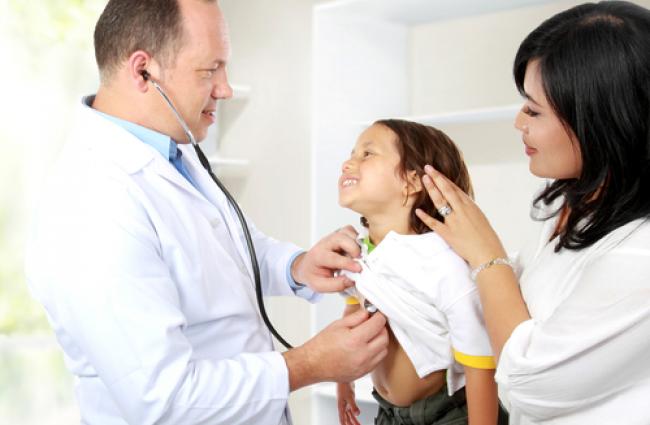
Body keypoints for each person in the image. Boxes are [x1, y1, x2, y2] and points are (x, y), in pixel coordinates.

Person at [24, 1, 389, 424]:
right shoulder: (91, 203)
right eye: (209, 71)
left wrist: (296, 266)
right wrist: (308, 364)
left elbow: (224, 252)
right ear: (144, 71)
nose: (225, 89)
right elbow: (163, 398)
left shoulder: (172, 151)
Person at [414, 2, 650, 424]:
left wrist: (488, 256)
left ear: (601, 120)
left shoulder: (640, 256)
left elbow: (525, 386)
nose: (518, 122)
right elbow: (511, 311)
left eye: (534, 110)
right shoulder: (580, 207)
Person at [335, 120, 504, 425]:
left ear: (412, 182)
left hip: (449, 413)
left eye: (367, 154)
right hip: (389, 411)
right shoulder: (359, 251)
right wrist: (343, 380)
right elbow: (353, 310)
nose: (348, 164)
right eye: (352, 154)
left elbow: (480, 362)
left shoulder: (442, 262)